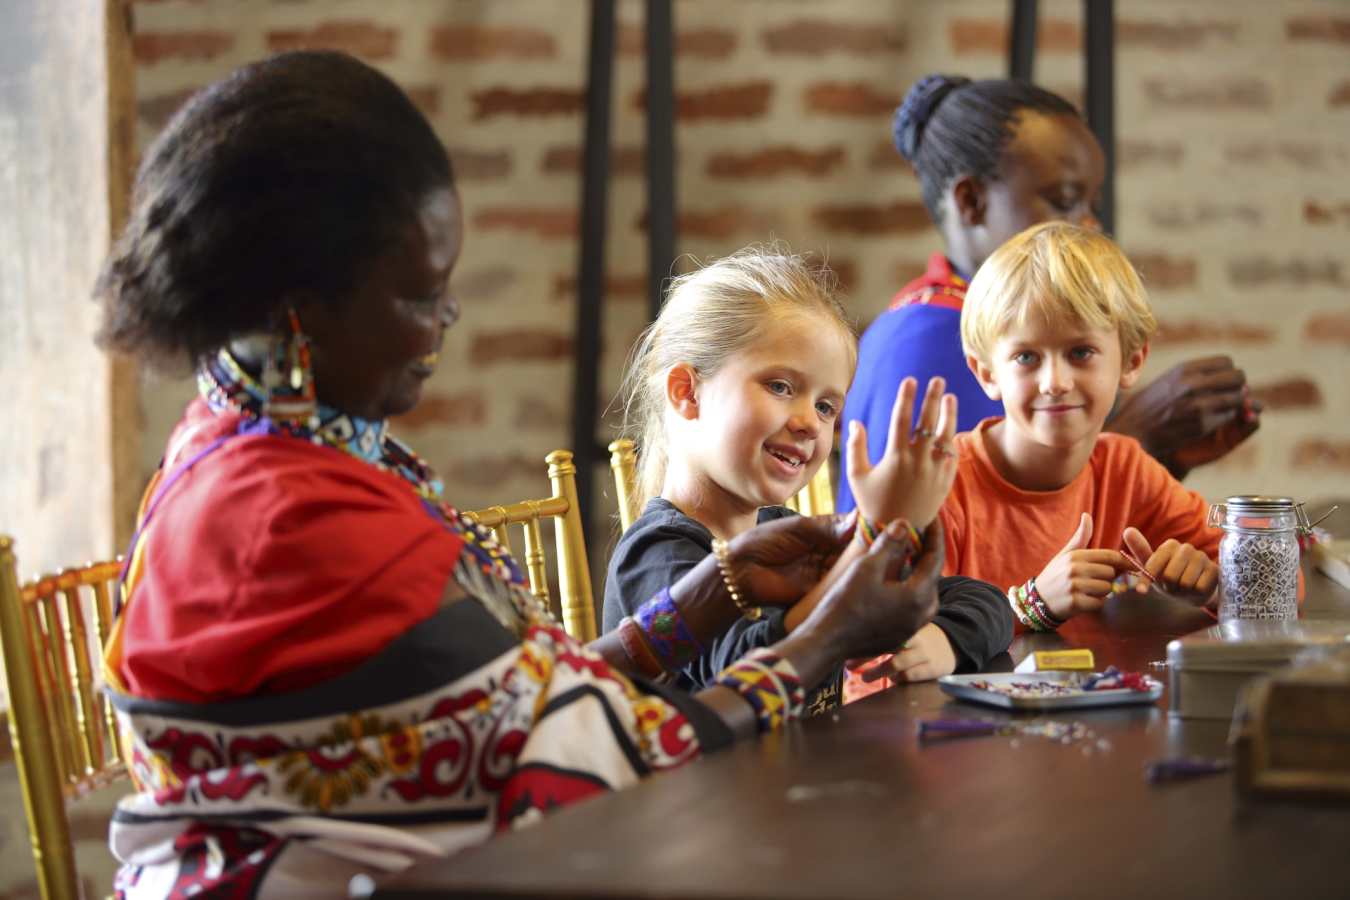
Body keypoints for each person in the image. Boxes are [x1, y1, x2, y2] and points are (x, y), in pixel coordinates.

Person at [93, 51, 947, 898]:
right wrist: (828, 637)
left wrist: (717, 590)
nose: (444, 320)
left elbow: (518, 702)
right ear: (299, 307)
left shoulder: (251, 438)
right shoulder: (289, 515)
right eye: (419, 295)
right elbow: (588, 764)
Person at [603, 249, 1012, 706]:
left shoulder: (788, 537)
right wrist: (879, 533)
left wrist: (945, 639)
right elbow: (744, 673)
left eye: (826, 407)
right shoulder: (656, 553)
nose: (810, 424)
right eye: (780, 387)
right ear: (687, 393)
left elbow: (985, 602)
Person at [836, 74, 1259, 513]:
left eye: (1092, 205)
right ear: (972, 202)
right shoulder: (932, 340)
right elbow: (989, 533)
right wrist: (1137, 435)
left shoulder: (938, 314)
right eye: (1064, 201)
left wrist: (1161, 457)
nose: (1091, 225)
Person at [846, 222, 1223, 699]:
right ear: (987, 372)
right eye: (1026, 358)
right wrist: (1030, 605)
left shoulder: (1126, 470)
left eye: (1081, 352)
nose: (1054, 382)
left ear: (1131, 360)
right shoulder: (941, 485)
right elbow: (877, 663)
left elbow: (1276, 588)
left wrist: (1211, 586)